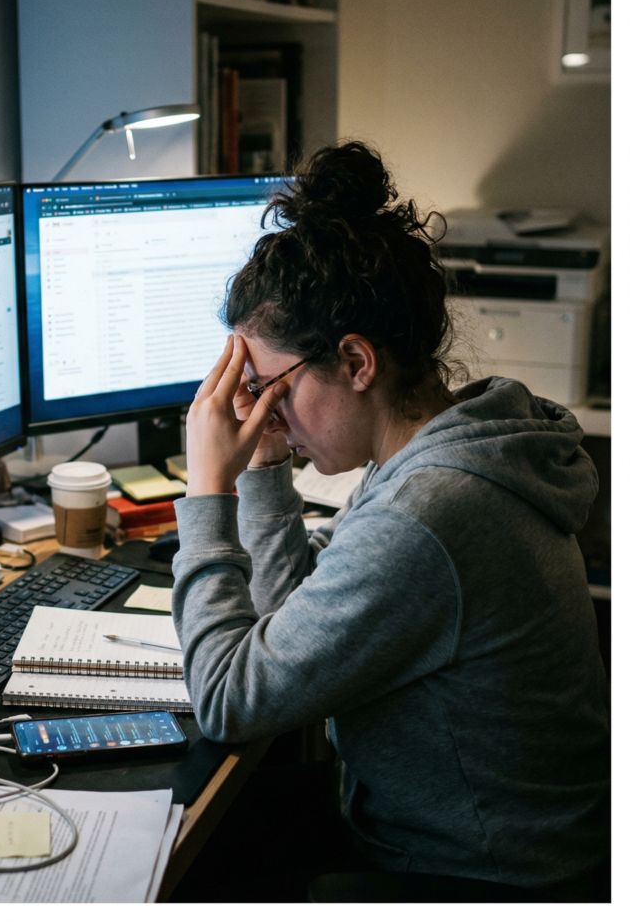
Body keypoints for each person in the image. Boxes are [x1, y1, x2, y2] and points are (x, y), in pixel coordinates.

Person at [173, 141, 609, 895]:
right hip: (466, 835)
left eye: (270, 385)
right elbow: (296, 624)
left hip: (478, 876)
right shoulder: (457, 442)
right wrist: (270, 465)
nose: (261, 407)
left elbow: (229, 700)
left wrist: (210, 490)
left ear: (356, 362)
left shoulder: (431, 513)